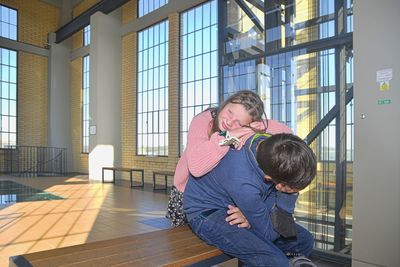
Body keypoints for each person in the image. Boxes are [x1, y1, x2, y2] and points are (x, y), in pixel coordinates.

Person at [184, 133, 317, 267]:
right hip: (207, 212)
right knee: (273, 262)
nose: (295, 192)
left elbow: (270, 195)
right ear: (269, 178)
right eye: (293, 188)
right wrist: (288, 196)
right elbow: (268, 234)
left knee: (304, 240)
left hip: (242, 201)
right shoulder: (242, 181)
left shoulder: (271, 148)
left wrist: (250, 215)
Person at [166, 90, 292, 227]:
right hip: (188, 193)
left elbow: (288, 134)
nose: (229, 122)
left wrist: (258, 127)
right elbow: (196, 168)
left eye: (239, 122)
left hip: (222, 195)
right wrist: (228, 137)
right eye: (230, 112)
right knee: (185, 241)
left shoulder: (249, 127)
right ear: (225, 103)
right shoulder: (204, 120)